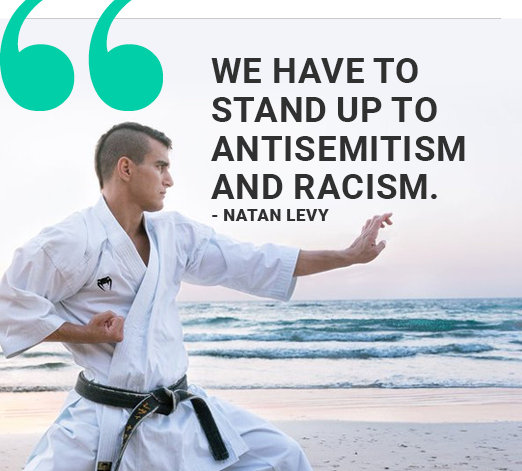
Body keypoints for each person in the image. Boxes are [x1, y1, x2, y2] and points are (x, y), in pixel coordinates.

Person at [0, 122, 392, 471]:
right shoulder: (70, 240)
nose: (169, 180)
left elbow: (253, 261)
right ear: (126, 168)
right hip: (102, 419)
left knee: (282, 456)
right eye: (160, 166)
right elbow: (8, 307)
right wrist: (85, 334)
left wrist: (347, 256)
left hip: (179, 409)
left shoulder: (175, 234)